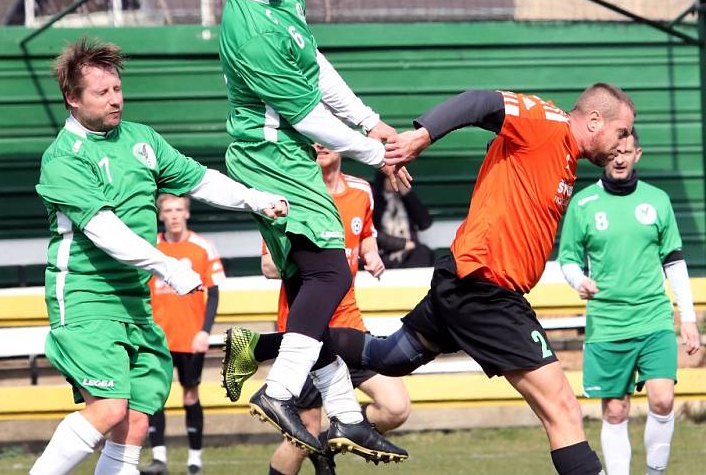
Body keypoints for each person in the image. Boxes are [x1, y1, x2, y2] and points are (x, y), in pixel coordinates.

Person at [225, 85, 636, 475]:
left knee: (389, 358)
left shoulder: (564, 154)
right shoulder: (548, 122)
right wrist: (423, 135)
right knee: (562, 408)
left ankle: (256, 347)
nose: (624, 143)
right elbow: (479, 102)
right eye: (622, 132)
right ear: (595, 120)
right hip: (485, 287)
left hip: (465, 284)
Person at [30, 37, 288, 475]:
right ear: (72, 99)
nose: (115, 100)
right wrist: (167, 264)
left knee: (135, 422)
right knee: (110, 410)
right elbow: (103, 229)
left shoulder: (140, 139)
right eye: (102, 93)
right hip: (86, 298)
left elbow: (199, 180)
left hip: (136, 300)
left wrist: (255, 199)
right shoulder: (62, 158)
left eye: (117, 89)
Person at [215, 0, 408, 463]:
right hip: (271, 160)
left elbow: (317, 70)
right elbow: (307, 115)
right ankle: (277, 391)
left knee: (311, 288)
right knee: (330, 271)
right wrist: (378, 154)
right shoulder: (249, 33)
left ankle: (345, 412)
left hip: (287, 157)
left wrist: (371, 123)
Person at [248, 143, 410, 474]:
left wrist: (371, 253)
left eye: (323, 137)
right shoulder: (289, 196)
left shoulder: (362, 190)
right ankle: (316, 444)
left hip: (349, 326)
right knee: (300, 438)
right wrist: (315, 265)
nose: (318, 144)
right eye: (310, 139)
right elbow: (267, 264)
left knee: (396, 407)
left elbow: (365, 234)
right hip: (308, 333)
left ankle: (327, 442)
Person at [557, 128, 701, 475]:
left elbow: (675, 262)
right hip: (607, 323)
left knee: (663, 399)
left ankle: (654, 472)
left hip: (653, 318)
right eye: (613, 152)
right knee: (616, 411)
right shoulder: (583, 204)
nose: (620, 158)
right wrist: (579, 280)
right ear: (604, 156)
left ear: (638, 154)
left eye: (627, 151)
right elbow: (568, 259)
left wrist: (689, 318)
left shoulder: (658, 200)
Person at [140, 195, 226, 475]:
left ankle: (195, 460)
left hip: (191, 337)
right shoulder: (149, 247)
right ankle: (159, 459)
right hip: (158, 338)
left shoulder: (202, 247)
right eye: (168, 210)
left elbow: (213, 293)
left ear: (187, 214)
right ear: (160, 215)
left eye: (179, 209)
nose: (174, 215)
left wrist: (204, 332)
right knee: (154, 396)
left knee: (190, 395)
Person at [371, 172, 435, 269]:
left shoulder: (406, 200)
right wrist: (402, 244)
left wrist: (407, 194)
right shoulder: (374, 202)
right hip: (385, 251)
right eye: (391, 178)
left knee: (423, 252)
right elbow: (373, 232)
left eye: (399, 178)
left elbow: (425, 223)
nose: (395, 181)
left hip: (410, 251)